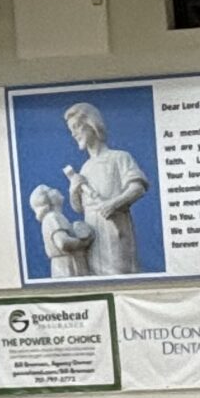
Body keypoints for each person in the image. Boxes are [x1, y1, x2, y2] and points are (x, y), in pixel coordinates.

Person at [62, 100, 149, 277]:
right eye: (71, 130)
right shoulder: (85, 168)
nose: (73, 134)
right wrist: (73, 189)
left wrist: (113, 204)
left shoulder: (119, 157)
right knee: (96, 277)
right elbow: (79, 208)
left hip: (114, 229)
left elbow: (138, 188)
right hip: (92, 234)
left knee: (120, 275)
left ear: (92, 124)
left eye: (76, 127)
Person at [31, 183, 93, 279]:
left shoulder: (55, 217)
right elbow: (63, 243)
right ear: (47, 199)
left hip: (68, 264)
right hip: (68, 266)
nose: (55, 189)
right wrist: (84, 243)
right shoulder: (53, 217)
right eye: (50, 189)